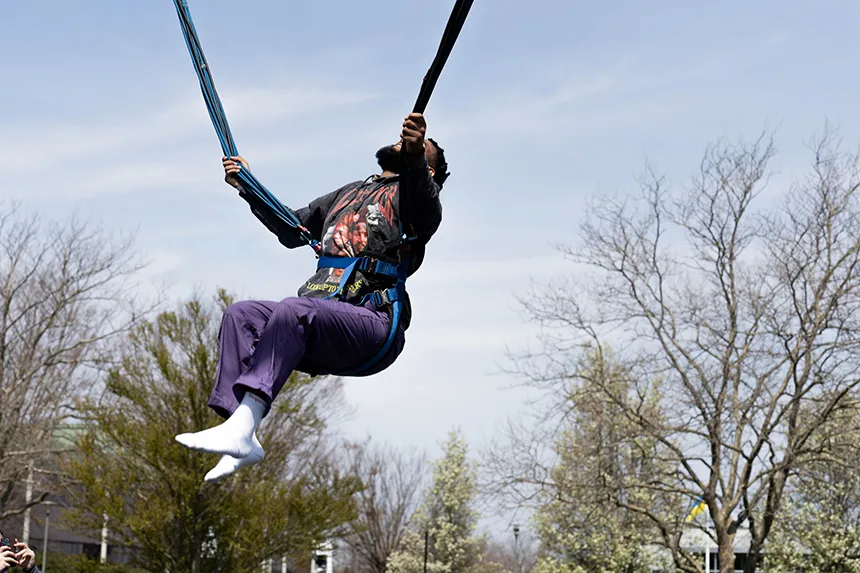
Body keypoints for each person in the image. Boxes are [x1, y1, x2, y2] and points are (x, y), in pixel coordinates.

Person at [176, 113, 448, 481]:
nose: (403, 143)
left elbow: (423, 196)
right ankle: (239, 430)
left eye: (416, 147)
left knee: (294, 309)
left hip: (373, 322)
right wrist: (247, 186)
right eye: (406, 142)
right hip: (323, 314)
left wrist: (417, 155)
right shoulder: (349, 192)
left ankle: (243, 426)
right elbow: (293, 229)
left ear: (426, 171)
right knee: (241, 315)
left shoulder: (419, 203)